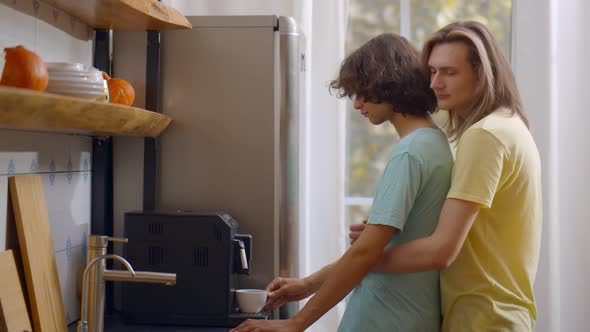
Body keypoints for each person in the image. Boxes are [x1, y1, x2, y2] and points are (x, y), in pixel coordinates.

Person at [231, 33, 453, 332]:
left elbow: (366, 253)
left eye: (363, 92)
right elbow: (382, 250)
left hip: (386, 319)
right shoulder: (434, 143)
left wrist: (296, 323)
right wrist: (306, 285)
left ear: (388, 83)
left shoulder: (410, 153)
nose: (357, 104)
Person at [348, 21, 543, 331]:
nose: (436, 83)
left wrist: (364, 259)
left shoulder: (485, 136)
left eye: (449, 72)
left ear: (483, 74)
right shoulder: (510, 125)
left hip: (482, 318)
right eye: (433, 72)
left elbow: (441, 250)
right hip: (498, 314)